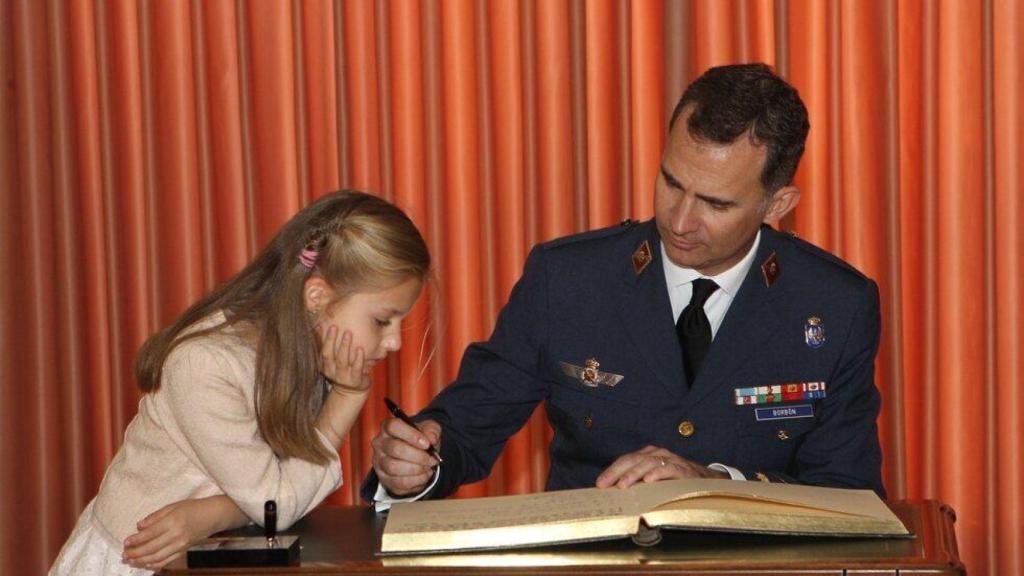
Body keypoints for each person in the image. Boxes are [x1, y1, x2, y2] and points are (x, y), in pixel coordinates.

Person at [363, 63, 885, 508]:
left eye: (716, 204)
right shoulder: (567, 280)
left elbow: (848, 493)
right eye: (671, 182)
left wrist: (716, 487)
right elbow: (462, 430)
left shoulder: (834, 306)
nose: (679, 221)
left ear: (778, 205)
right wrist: (414, 462)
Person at [51, 190, 430, 574]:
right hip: (135, 565)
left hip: (212, 556)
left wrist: (214, 514)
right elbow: (279, 503)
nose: (395, 342)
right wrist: (347, 398)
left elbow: (279, 494)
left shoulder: (308, 354)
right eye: (383, 321)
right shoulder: (205, 364)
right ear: (316, 296)